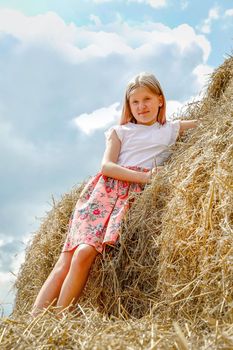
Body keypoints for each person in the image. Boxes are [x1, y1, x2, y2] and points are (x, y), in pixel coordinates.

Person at [31, 72, 198, 317]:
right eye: (135, 102)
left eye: (147, 99)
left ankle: (59, 319)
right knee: (69, 256)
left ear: (161, 100)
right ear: (128, 105)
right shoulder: (120, 131)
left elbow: (214, 119)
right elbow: (107, 166)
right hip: (104, 193)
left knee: (86, 253)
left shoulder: (171, 129)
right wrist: (147, 177)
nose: (142, 106)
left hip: (127, 200)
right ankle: (34, 324)